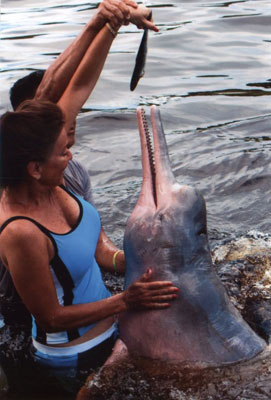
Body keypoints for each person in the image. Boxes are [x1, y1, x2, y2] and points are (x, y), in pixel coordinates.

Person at [0, 2, 178, 396]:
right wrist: (126, 300)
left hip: (113, 326)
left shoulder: (46, 175)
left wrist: (110, 24)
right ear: (34, 167)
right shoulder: (20, 231)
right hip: (76, 354)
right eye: (64, 151)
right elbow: (50, 316)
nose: (71, 154)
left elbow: (72, 89)